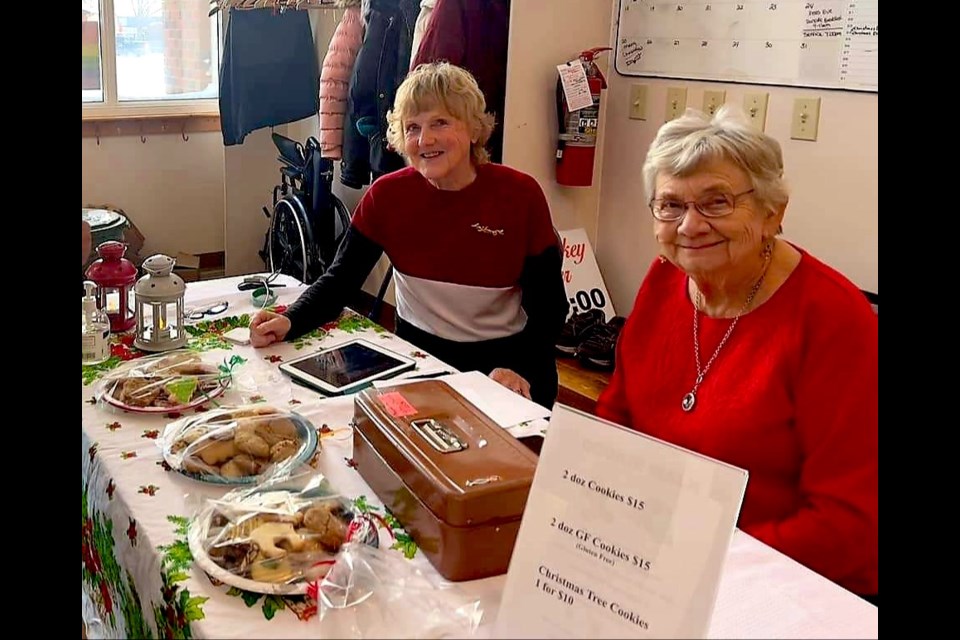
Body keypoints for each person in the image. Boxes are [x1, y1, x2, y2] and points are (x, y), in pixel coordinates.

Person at [596, 106, 878, 601]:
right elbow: (619, 414)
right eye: (670, 205)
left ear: (773, 213)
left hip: (789, 586)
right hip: (659, 560)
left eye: (717, 202)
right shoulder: (666, 281)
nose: (690, 226)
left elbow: (849, 523)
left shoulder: (833, 319)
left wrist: (696, 567)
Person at [251, 62, 568, 408]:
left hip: (505, 366)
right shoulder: (387, 197)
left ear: (475, 129)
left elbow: (551, 310)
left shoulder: (519, 196)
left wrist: (516, 368)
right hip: (418, 359)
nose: (424, 140)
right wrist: (290, 319)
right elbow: (341, 279)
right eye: (412, 127)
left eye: (440, 123)